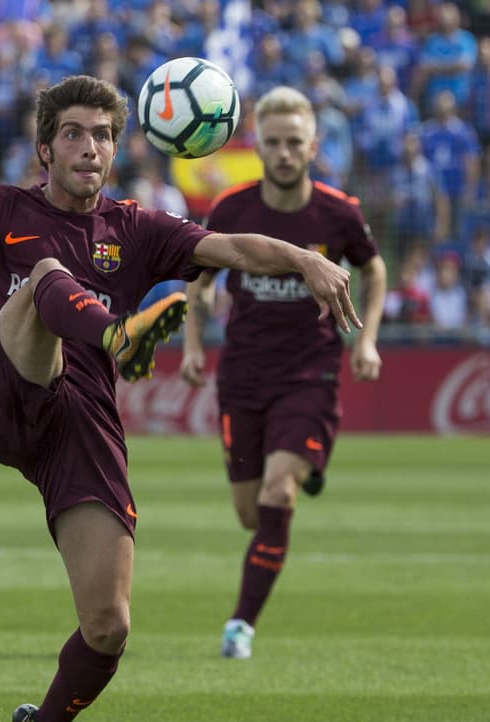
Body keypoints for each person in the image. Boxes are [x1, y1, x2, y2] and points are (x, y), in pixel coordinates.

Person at [0, 75, 359, 722]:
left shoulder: (136, 227)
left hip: (80, 423)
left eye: (104, 134)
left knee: (108, 626)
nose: (90, 147)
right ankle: (118, 331)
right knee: (42, 274)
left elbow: (231, 247)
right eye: (74, 133)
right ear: (45, 147)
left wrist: (303, 258)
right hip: (7, 394)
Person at [178, 86, 387, 661]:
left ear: (313, 144)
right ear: (259, 147)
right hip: (242, 376)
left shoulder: (338, 213)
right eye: (273, 143)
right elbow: (198, 278)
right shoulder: (233, 210)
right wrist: (192, 344)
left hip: (308, 375)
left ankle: (240, 625)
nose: (285, 153)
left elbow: (375, 268)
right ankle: (304, 471)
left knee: (277, 492)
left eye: (295, 142)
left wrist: (366, 340)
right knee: (251, 514)